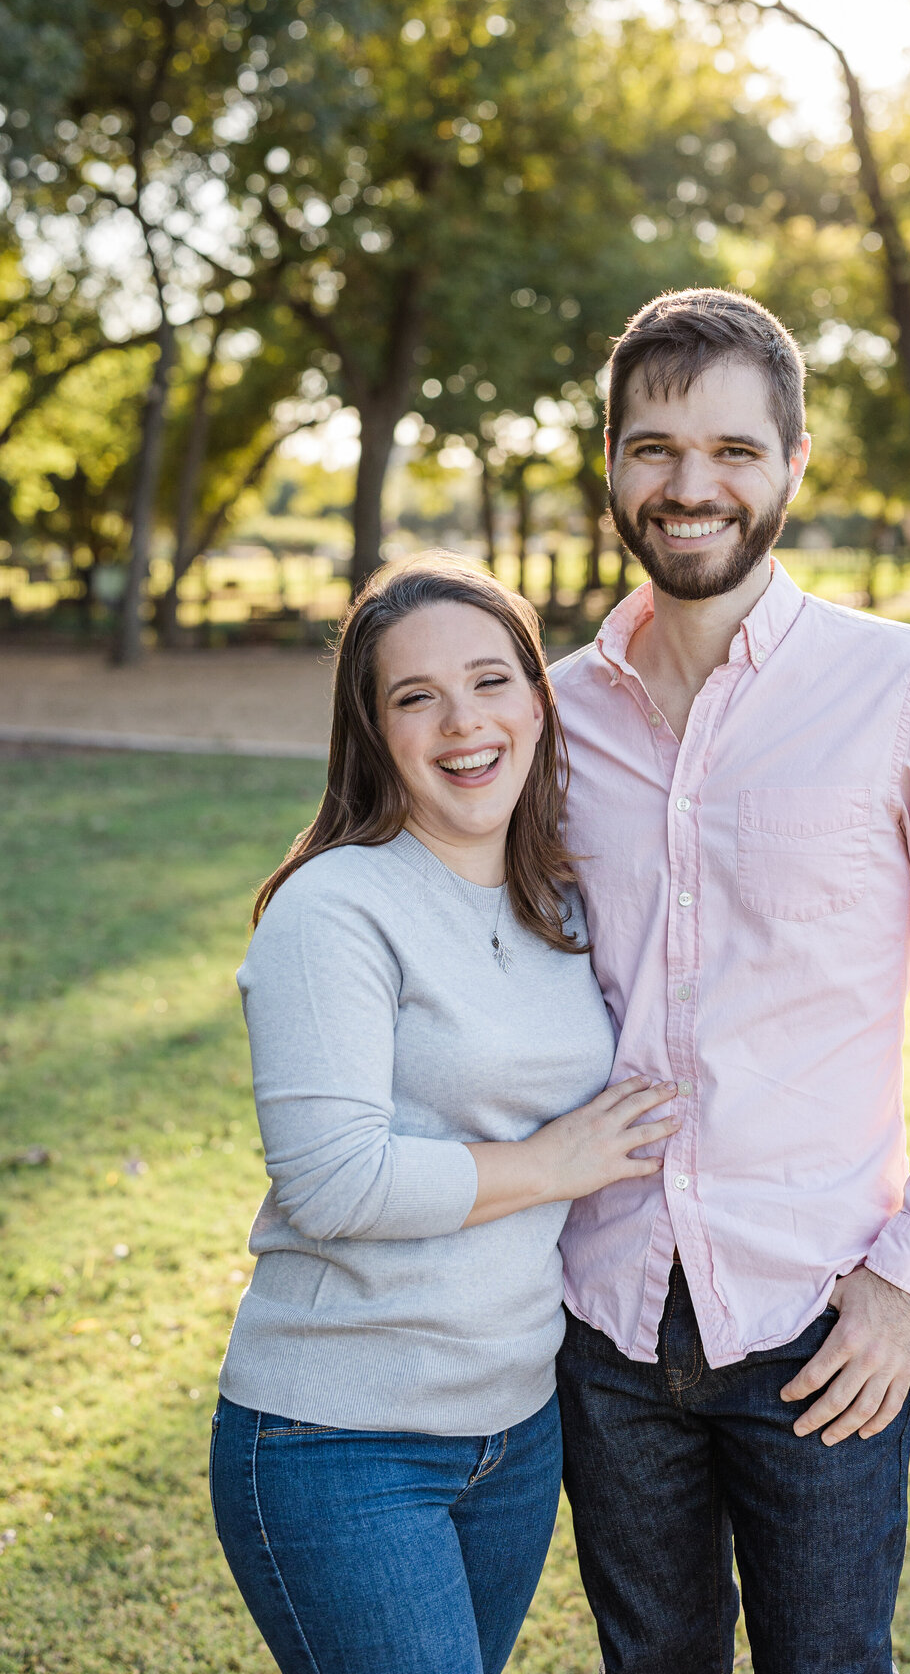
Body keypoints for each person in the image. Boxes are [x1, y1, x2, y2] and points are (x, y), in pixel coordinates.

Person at [552, 288, 910, 1674]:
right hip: (601, 1312)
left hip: (820, 1321)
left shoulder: (907, 686)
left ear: (794, 464)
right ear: (610, 466)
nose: (689, 485)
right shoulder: (550, 714)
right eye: (653, 448)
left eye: (731, 449)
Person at [208, 555, 679, 1674]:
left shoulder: (555, 894)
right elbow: (333, 1182)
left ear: (536, 700)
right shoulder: (336, 908)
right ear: (373, 731)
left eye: (491, 682)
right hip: (339, 1440)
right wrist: (554, 1164)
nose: (463, 723)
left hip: (515, 1434)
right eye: (416, 697)